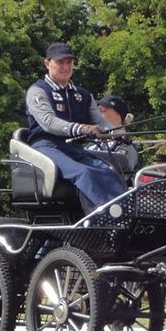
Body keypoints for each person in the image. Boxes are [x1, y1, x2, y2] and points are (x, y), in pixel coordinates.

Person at [25, 43, 127, 212]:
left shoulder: (83, 95)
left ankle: (127, 211)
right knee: (84, 173)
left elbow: (100, 123)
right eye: (60, 62)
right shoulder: (38, 91)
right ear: (47, 63)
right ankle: (105, 216)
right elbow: (48, 122)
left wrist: (118, 132)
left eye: (69, 63)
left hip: (73, 148)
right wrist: (82, 129)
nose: (65, 67)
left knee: (107, 171)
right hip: (46, 147)